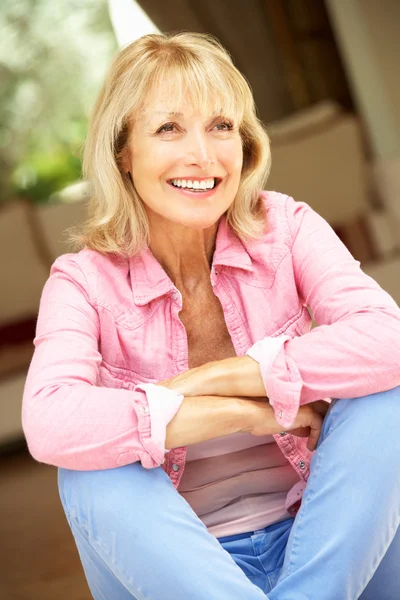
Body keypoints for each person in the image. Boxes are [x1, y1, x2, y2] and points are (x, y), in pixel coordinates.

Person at [22, 32, 400, 600]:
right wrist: (242, 415)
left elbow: (387, 338)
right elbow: (50, 421)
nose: (202, 154)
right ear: (123, 152)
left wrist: (215, 379)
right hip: (183, 577)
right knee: (89, 471)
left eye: (221, 126)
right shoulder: (83, 280)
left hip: (330, 548)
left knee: (388, 399)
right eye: (169, 128)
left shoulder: (286, 226)